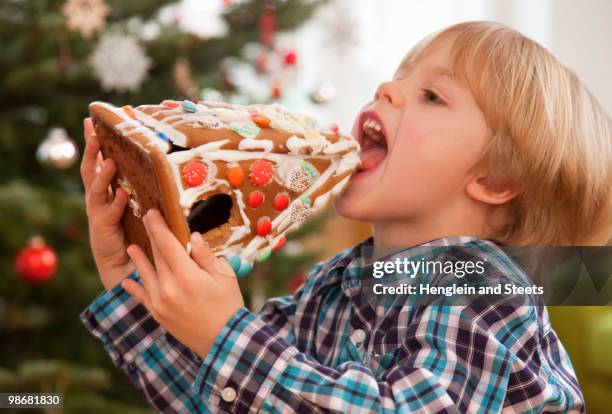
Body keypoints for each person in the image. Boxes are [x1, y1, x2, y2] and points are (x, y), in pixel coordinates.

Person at [80, 22, 611, 413]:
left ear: (493, 180)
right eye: (400, 76)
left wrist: (225, 332)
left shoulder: (483, 290)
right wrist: (131, 269)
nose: (387, 90)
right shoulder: (332, 287)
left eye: (431, 96)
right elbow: (220, 395)